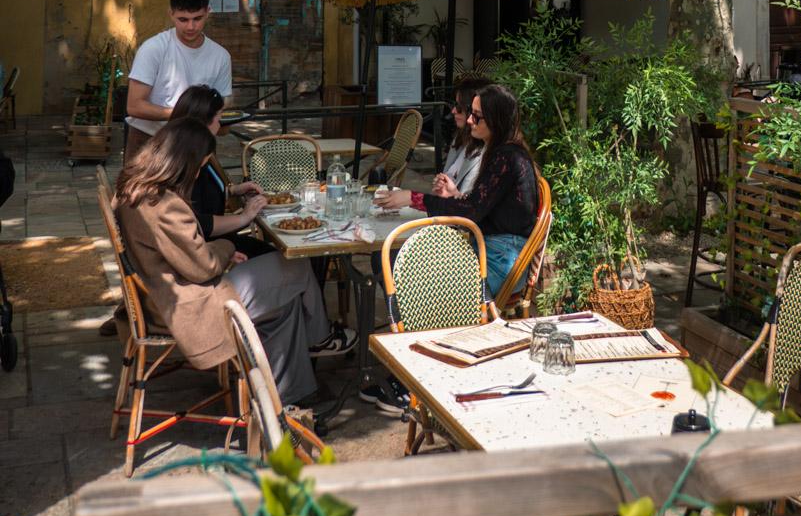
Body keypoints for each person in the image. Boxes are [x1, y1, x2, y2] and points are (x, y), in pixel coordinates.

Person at [115, 118, 352, 418]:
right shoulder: (163, 205)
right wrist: (228, 249)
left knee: (286, 304)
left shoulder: (134, 189)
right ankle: (319, 337)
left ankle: (285, 401)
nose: (199, 172)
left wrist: (223, 252)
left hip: (168, 293)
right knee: (297, 265)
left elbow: (190, 254)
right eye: (200, 166)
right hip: (192, 304)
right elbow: (204, 266)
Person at [380, 83, 538, 298]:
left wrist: (412, 197)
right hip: (491, 250)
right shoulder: (504, 153)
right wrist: (456, 196)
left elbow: (472, 212)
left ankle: (421, 328)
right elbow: (483, 206)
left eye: (477, 116)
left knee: (403, 272)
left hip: (500, 261)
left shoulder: (506, 157)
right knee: (397, 261)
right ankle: (418, 327)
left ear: (496, 120)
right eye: (471, 113)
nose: (470, 120)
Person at [124, 0, 232, 169]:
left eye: (197, 18)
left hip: (197, 142)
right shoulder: (153, 49)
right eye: (183, 19)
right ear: (171, 13)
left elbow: (223, 103)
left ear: (208, 11)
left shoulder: (221, 56)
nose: (191, 26)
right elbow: (134, 106)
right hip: (149, 140)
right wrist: (184, 113)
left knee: (200, 198)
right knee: (143, 198)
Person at [169, 85, 272, 258]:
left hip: (214, 242)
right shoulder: (189, 160)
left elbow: (203, 193)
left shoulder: (189, 149)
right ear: (203, 121)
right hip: (208, 248)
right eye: (219, 117)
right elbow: (198, 223)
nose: (221, 123)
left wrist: (232, 190)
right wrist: (244, 217)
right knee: (284, 260)